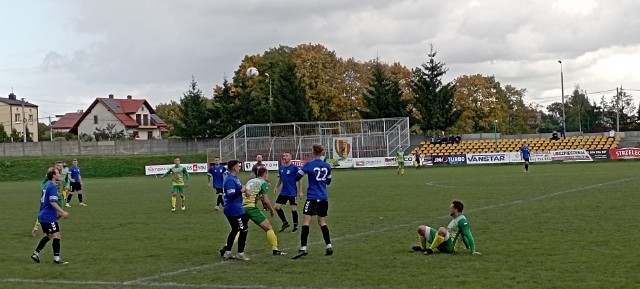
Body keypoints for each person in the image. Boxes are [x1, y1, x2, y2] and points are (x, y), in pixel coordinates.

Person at [292, 144, 333, 259]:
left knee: (306, 222)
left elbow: (297, 176)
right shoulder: (327, 165)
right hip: (324, 197)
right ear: (321, 152)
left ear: (313, 152)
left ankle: (303, 248)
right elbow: (328, 181)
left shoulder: (309, 165)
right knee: (322, 222)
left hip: (313, 197)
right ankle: (328, 245)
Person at [242, 167, 286, 255]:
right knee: (269, 228)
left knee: (240, 229)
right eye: (267, 174)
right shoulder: (263, 183)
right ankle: (275, 250)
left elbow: (249, 194)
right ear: (265, 174)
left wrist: (258, 197)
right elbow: (266, 201)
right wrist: (271, 210)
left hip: (242, 207)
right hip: (251, 208)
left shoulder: (250, 181)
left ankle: (227, 247)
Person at [30, 168, 70, 264]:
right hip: (49, 217)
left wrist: (59, 213)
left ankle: (36, 253)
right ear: (53, 176)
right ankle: (57, 259)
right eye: (57, 173)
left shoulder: (47, 185)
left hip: (43, 215)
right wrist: (63, 212)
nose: (59, 174)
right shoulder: (52, 187)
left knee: (49, 235)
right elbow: (52, 202)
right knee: (57, 235)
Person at [412, 200, 480, 255]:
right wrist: (467, 246)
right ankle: (424, 248)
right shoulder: (455, 219)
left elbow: (468, 235)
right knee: (421, 229)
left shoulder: (462, 220)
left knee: (442, 229)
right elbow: (462, 234)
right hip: (443, 241)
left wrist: (473, 251)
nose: (450, 209)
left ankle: (431, 249)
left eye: (451, 208)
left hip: (450, 246)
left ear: (455, 210)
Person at [220, 160, 251, 261]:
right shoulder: (229, 179)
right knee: (243, 229)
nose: (240, 168)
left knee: (235, 229)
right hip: (234, 210)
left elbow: (240, 188)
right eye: (239, 166)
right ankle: (240, 254)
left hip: (236, 208)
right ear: (234, 168)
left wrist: (245, 190)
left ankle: (227, 252)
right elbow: (231, 194)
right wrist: (242, 190)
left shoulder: (234, 178)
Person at [32, 161, 69, 237]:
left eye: (61, 166)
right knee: (46, 213)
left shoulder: (64, 173)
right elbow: (43, 182)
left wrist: (66, 185)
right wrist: (45, 190)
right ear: (55, 166)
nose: (60, 167)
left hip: (59, 197)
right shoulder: (52, 174)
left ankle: (50, 226)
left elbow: (66, 181)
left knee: (59, 214)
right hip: (50, 196)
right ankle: (36, 228)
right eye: (58, 165)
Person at [273, 152, 302, 233]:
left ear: (290, 157)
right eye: (284, 156)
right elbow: (280, 178)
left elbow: (300, 179)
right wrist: (276, 187)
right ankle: (285, 222)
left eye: (287, 156)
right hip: (283, 192)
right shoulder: (281, 167)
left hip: (292, 192)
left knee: (293, 209)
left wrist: (300, 191)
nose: (284, 157)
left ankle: (295, 227)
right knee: (276, 207)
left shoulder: (294, 168)